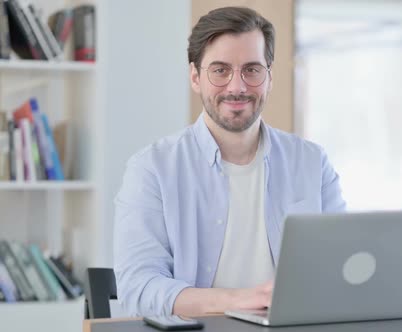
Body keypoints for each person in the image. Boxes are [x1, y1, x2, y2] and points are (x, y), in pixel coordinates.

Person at [113, 6, 346, 317]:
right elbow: (138, 290)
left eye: (251, 70)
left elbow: (344, 267)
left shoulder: (312, 163)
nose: (237, 87)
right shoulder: (152, 169)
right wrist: (240, 301)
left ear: (269, 77)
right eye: (220, 70)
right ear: (195, 77)